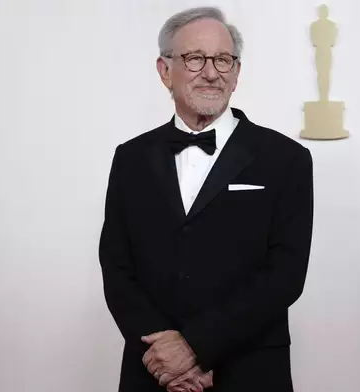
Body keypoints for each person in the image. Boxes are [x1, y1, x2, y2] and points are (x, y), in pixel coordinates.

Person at [99, 6, 314, 392]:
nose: (212, 72)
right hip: (153, 373)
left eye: (223, 60)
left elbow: (285, 274)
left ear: (236, 73)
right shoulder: (130, 158)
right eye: (195, 59)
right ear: (165, 71)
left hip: (249, 372)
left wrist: (196, 348)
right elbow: (116, 267)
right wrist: (166, 355)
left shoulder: (286, 158)